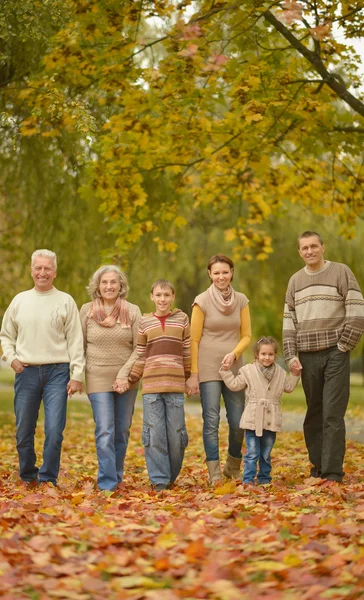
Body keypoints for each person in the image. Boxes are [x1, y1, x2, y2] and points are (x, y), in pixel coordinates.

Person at [283, 231, 364, 482]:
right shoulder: (295, 281)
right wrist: (290, 355)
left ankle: (332, 473)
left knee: (332, 413)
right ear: (299, 252)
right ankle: (317, 467)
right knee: (314, 414)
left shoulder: (341, 272)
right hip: (307, 356)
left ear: (323, 247)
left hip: (335, 354)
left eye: (314, 246)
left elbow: (357, 310)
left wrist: (343, 345)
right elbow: (289, 320)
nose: (310, 251)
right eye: (305, 248)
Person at [0, 249, 84, 487]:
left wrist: (77, 374)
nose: (42, 272)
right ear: (32, 271)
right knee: (23, 431)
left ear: (54, 272)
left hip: (58, 372)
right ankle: (28, 474)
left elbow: (75, 341)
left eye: (47, 268)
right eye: (38, 268)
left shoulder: (66, 301)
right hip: (26, 372)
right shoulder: (20, 300)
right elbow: (6, 335)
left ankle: (48, 478)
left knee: (55, 430)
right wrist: (11, 358)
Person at [186, 254, 252, 484]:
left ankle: (233, 466)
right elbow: (193, 340)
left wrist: (234, 353)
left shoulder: (242, 300)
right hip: (207, 366)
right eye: (216, 273)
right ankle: (214, 472)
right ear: (210, 274)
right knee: (211, 420)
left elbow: (247, 335)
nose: (221, 276)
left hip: (233, 366)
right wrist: (194, 374)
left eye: (225, 272)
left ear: (232, 272)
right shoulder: (201, 301)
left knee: (237, 421)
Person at [80, 266, 141, 492]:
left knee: (122, 430)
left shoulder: (133, 311)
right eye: (104, 282)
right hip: (97, 375)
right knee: (105, 429)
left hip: (126, 378)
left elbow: (139, 348)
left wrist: (124, 374)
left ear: (120, 285)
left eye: (113, 282)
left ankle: (116, 475)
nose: (109, 286)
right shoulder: (86, 311)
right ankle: (107, 483)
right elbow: (80, 346)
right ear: (97, 285)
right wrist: (78, 375)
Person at [128, 279, 190, 491]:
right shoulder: (145, 323)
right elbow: (140, 354)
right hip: (152, 389)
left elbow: (188, 351)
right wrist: (130, 378)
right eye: (158, 295)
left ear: (172, 297)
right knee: (154, 435)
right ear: (151, 297)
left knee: (176, 435)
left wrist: (190, 377)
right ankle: (159, 481)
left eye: (166, 295)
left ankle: (170, 476)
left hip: (175, 387)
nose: (162, 299)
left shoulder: (182, 319)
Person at [220, 336, 300, 485]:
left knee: (266, 453)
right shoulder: (248, 371)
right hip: (253, 419)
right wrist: (226, 371)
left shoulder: (281, 373)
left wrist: (295, 374)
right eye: (263, 354)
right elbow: (235, 385)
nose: (267, 357)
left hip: (271, 419)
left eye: (270, 354)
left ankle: (264, 479)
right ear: (257, 355)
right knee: (252, 452)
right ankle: (248, 480)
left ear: (275, 355)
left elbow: (288, 387)